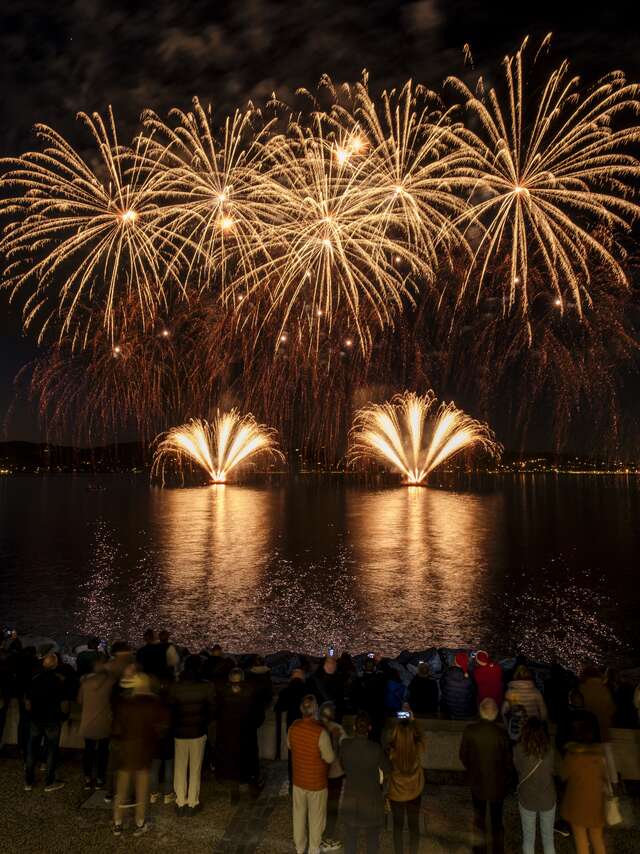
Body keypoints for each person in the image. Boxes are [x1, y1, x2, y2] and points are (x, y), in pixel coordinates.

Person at [111, 672, 168, 837]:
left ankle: (117, 822)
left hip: (126, 750)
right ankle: (140, 822)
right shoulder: (155, 703)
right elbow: (162, 726)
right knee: (142, 789)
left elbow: (116, 728)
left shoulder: (124, 703)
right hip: (145, 750)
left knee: (121, 789)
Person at [459, 698, 512, 854]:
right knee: (496, 821)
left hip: (477, 782)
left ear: (480, 712)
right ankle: (497, 850)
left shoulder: (470, 730)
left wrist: (473, 769)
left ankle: (479, 850)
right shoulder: (502, 734)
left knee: (479, 819)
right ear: (495, 714)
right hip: (497, 784)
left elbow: (463, 756)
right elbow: (509, 762)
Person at [288, 694, 337, 854]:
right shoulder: (320, 732)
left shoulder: (293, 727)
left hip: (298, 780)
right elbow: (329, 758)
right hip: (316, 783)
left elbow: (290, 746)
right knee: (316, 818)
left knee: (298, 815)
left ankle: (300, 847)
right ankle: (314, 849)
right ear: (315, 710)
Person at [169, 654, 216, 815]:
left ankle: (180, 801)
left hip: (179, 732)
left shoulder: (175, 686)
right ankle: (192, 803)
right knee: (195, 768)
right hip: (198, 732)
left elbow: (170, 708)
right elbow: (212, 709)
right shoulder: (206, 686)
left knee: (180, 767)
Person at [340, 712, 391, 854]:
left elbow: (343, 766)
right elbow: (388, 769)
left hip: (351, 799)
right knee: (372, 840)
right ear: (369, 728)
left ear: (355, 728)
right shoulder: (375, 749)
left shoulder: (345, 746)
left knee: (350, 839)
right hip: (371, 801)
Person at [215, 667, 265, 801]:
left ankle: (234, 792)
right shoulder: (251, 692)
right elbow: (258, 714)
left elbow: (217, 713)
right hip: (247, 734)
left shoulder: (222, 693)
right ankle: (253, 789)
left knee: (232, 763)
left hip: (229, 735)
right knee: (250, 763)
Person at [561, 718, 608, 854]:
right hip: (596, 802)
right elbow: (605, 776)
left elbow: (563, 776)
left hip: (577, 804)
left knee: (581, 840)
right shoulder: (600, 755)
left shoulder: (572, 755)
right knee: (597, 839)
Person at [24, 652, 68, 792]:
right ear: (55, 665)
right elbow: (64, 703)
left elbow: (28, 702)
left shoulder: (35, 680)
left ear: (43, 664)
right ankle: (49, 782)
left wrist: (31, 714)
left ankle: (28, 781)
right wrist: (64, 716)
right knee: (51, 750)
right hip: (52, 719)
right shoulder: (59, 681)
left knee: (32, 749)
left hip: (36, 719)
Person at [514, 717, 557, 854]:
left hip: (527, 798)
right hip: (547, 798)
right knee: (548, 839)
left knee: (528, 839)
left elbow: (517, 768)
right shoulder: (550, 750)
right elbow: (556, 770)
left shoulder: (518, 750)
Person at [386, 715, 426, 854]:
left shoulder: (391, 752)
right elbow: (421, 736)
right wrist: (414, 720)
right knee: (414, 826)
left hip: (396, 793)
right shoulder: (417, 748)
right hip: (414, 791)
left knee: (397, 827)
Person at [77, 660, 116, 790]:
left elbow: (79, 701)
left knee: (88, 751)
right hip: (104, 722)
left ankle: (87, 778)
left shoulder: (85, 683)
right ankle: (100, 778)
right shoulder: (111, 682)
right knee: (103, 752)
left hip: (88, 722)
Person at [579, 665, 617, 786]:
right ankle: (614, 781)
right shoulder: (604, 689)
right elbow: (612, 709)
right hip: (604, 726)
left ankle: (591, 782)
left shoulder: (582, 688)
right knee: (608, 755)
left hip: (589, 729)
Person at [320, 701, 346, 849]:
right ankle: (328, 834)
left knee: (319, 805)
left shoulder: (316, 728)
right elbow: (343, 749)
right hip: (335, 774)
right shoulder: (338, 729)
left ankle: (319, 831)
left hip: (319, 774)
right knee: (332, 806)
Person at [351, 657, 387, 742]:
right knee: (373, 735)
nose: (370, 666)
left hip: (370, 711)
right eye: (369, 665)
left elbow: (355, 694)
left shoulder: (362, 679)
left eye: (371, 665)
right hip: (372, 711)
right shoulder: (377, 678)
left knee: (369, 734)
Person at [307, 656, 346, 722]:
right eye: (334, 662)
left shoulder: (338, 679)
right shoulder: (314, 680)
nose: (336, 664)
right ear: (327, 663)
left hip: (333, 719)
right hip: (319, 719)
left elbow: (340, 701)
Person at [441, 653, 477, 720]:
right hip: (466, 711)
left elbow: (442, 686)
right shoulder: (470, 677)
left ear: (455, 661)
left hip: (450, 710)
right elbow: (474, 692)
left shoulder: (447, 673)